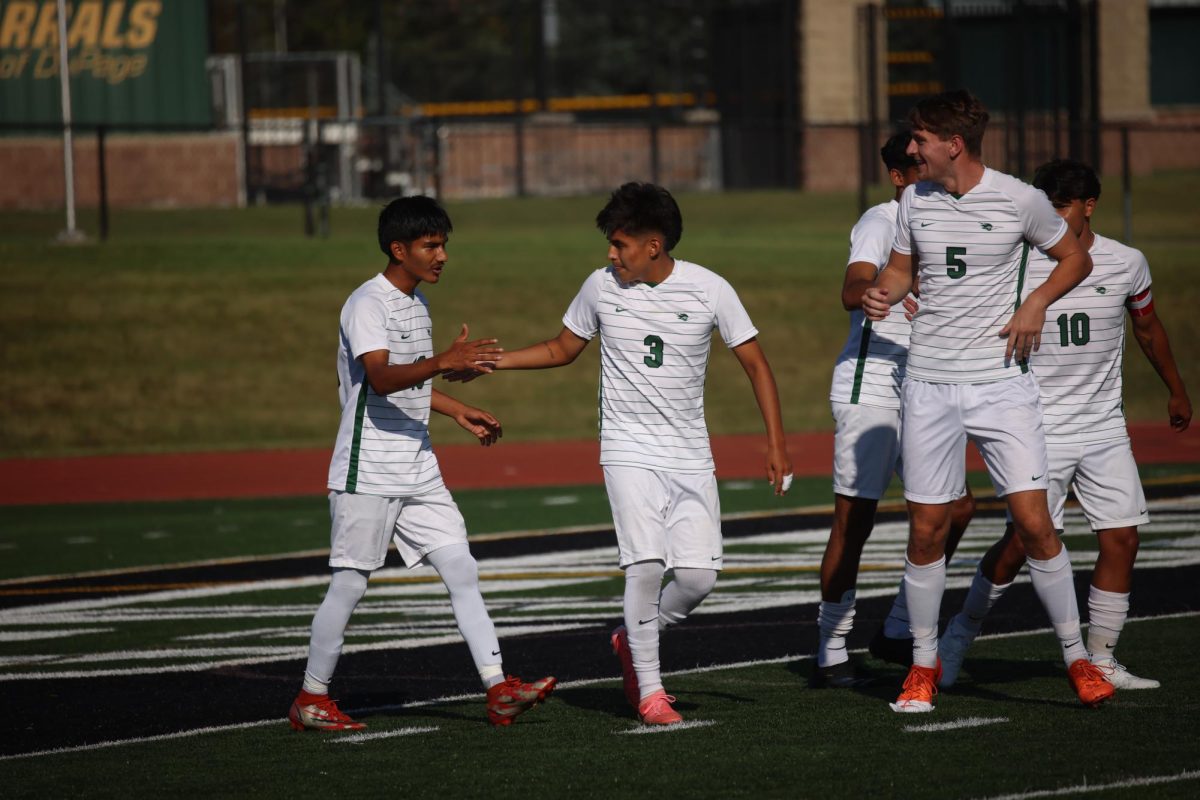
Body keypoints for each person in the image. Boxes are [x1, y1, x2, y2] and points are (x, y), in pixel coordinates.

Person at [460, 182, 792, 725]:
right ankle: (651, 692)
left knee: (697, 580)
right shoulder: (600, 287)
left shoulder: (710, 289)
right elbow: (562, 348)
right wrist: (493, 364)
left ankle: (632, 638)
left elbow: (756, 364)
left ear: (654, 245)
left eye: (620, 244)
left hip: (690, 454)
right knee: (644, 565)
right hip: (626, 448)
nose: (610, 255)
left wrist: (776, 444)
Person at [862, 90, 1109, 713]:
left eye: (919, 139)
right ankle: (921, 666)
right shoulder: (914, 199)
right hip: (929, 386)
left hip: (1001, 385)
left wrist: (1035, 303)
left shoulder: (1019, 198)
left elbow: (1074, 258)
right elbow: (898, 269)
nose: (910, 148)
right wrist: (880, 292)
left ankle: (1077, 659)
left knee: (1033, 522)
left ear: (954, 144)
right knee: (926, 529)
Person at [288, 196, 555, 732]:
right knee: (350, 584)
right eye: (431, 246)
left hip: (418, 464)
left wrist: (457, 410)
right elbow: (382, 379)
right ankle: (310, 698)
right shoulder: (368, 302)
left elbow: (412, 383)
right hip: (369, 466)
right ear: (398, 249)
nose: (442, 256)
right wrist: (445, 361)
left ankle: (499, 688)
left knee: (460, 567)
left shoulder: (417, 303)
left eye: (444, 245)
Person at [936, 158, 1192, 690]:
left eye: (1061, 206)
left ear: (1088, 206)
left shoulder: (1126, 263)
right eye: (1044, 205)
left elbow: (1146, 327)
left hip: (1102, 427)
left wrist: (1175, 388)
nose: (1049, 216)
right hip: (1036, 427)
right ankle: (957, 637)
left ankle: (1101, 656)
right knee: (1019, 546)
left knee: (1121, 537)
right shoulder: (1019, 263)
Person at [816, 131, 976, 687]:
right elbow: (852, 285)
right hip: (874, 384)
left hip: (929, 384)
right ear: (900, 174)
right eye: (915, 163)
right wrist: (874, 293)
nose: (927, 169)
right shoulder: (883, 219)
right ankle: (831, 648)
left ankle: (898, 627)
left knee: (956, 511)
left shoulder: (948, 220)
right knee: (854, 519)